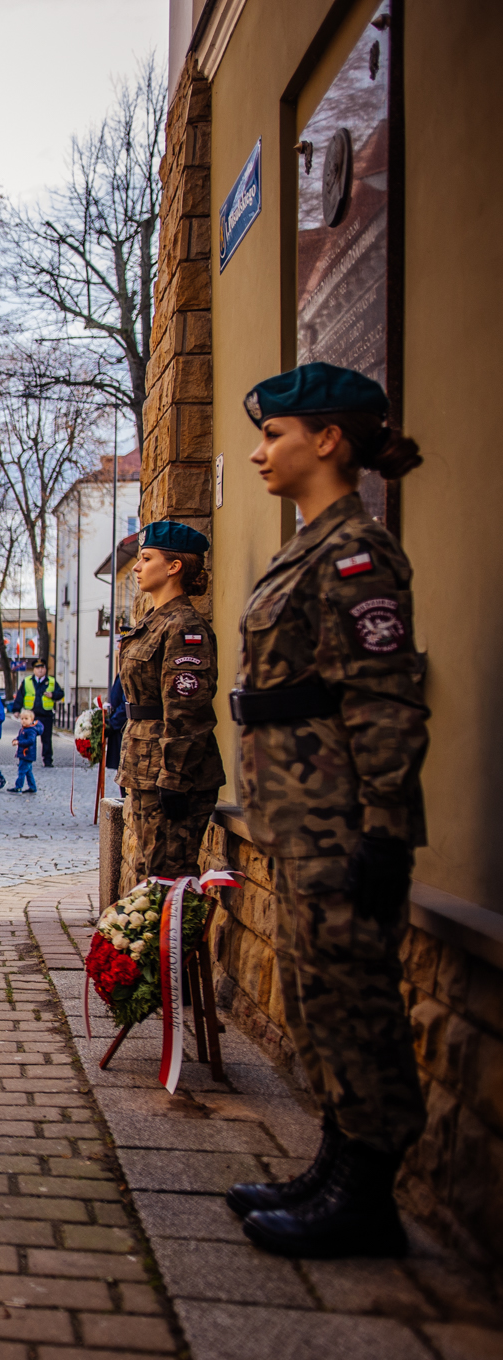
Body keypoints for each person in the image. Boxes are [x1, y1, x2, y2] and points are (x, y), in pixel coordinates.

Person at [220, 363, 428, 1259]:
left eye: (276, 435)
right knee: (320, 992)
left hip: (341, 820)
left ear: (329, 439)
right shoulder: (310, 544)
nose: (261, 451)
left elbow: (382, 699)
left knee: (354, 997)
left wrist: (384, 826)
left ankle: (367, 1195)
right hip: (301, 820)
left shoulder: (357, 554)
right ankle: (335, 1162)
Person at [117, 521, 223, 882]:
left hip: (170, 773)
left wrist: (174, 779)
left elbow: (187, 712)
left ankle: (173, 942)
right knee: (150, 876)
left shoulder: (184, 628)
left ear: (173, 566)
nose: (137, 566)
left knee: (168, 880)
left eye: (146, 558)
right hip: (145, 766)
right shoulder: (153, 622)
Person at [14, 660, 67, 767]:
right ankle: (24, 758)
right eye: (37, 668)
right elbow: (20, 695)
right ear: (34, 669)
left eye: (42, 667)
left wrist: (53, 695)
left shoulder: (51, 681)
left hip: (46, 714)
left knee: (46, 740)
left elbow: (61, 693)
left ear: (45, 669)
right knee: (27, 738)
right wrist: (16, 709)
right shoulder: (27, 681)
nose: (40, 670)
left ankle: (47, 761)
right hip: (30, 716)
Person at [10, 709, 41, 794]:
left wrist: (19, 742)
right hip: (23, 754)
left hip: (27, 754)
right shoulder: (23, 729)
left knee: (22, 771)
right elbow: (19, 737)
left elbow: (30, 741)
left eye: (26, 718)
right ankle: (32, 787)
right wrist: (15, 740)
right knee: (28, 772)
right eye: (22, 718)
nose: (23, 720)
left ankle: (18, 787)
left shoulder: (31, 730)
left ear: (31, 720)